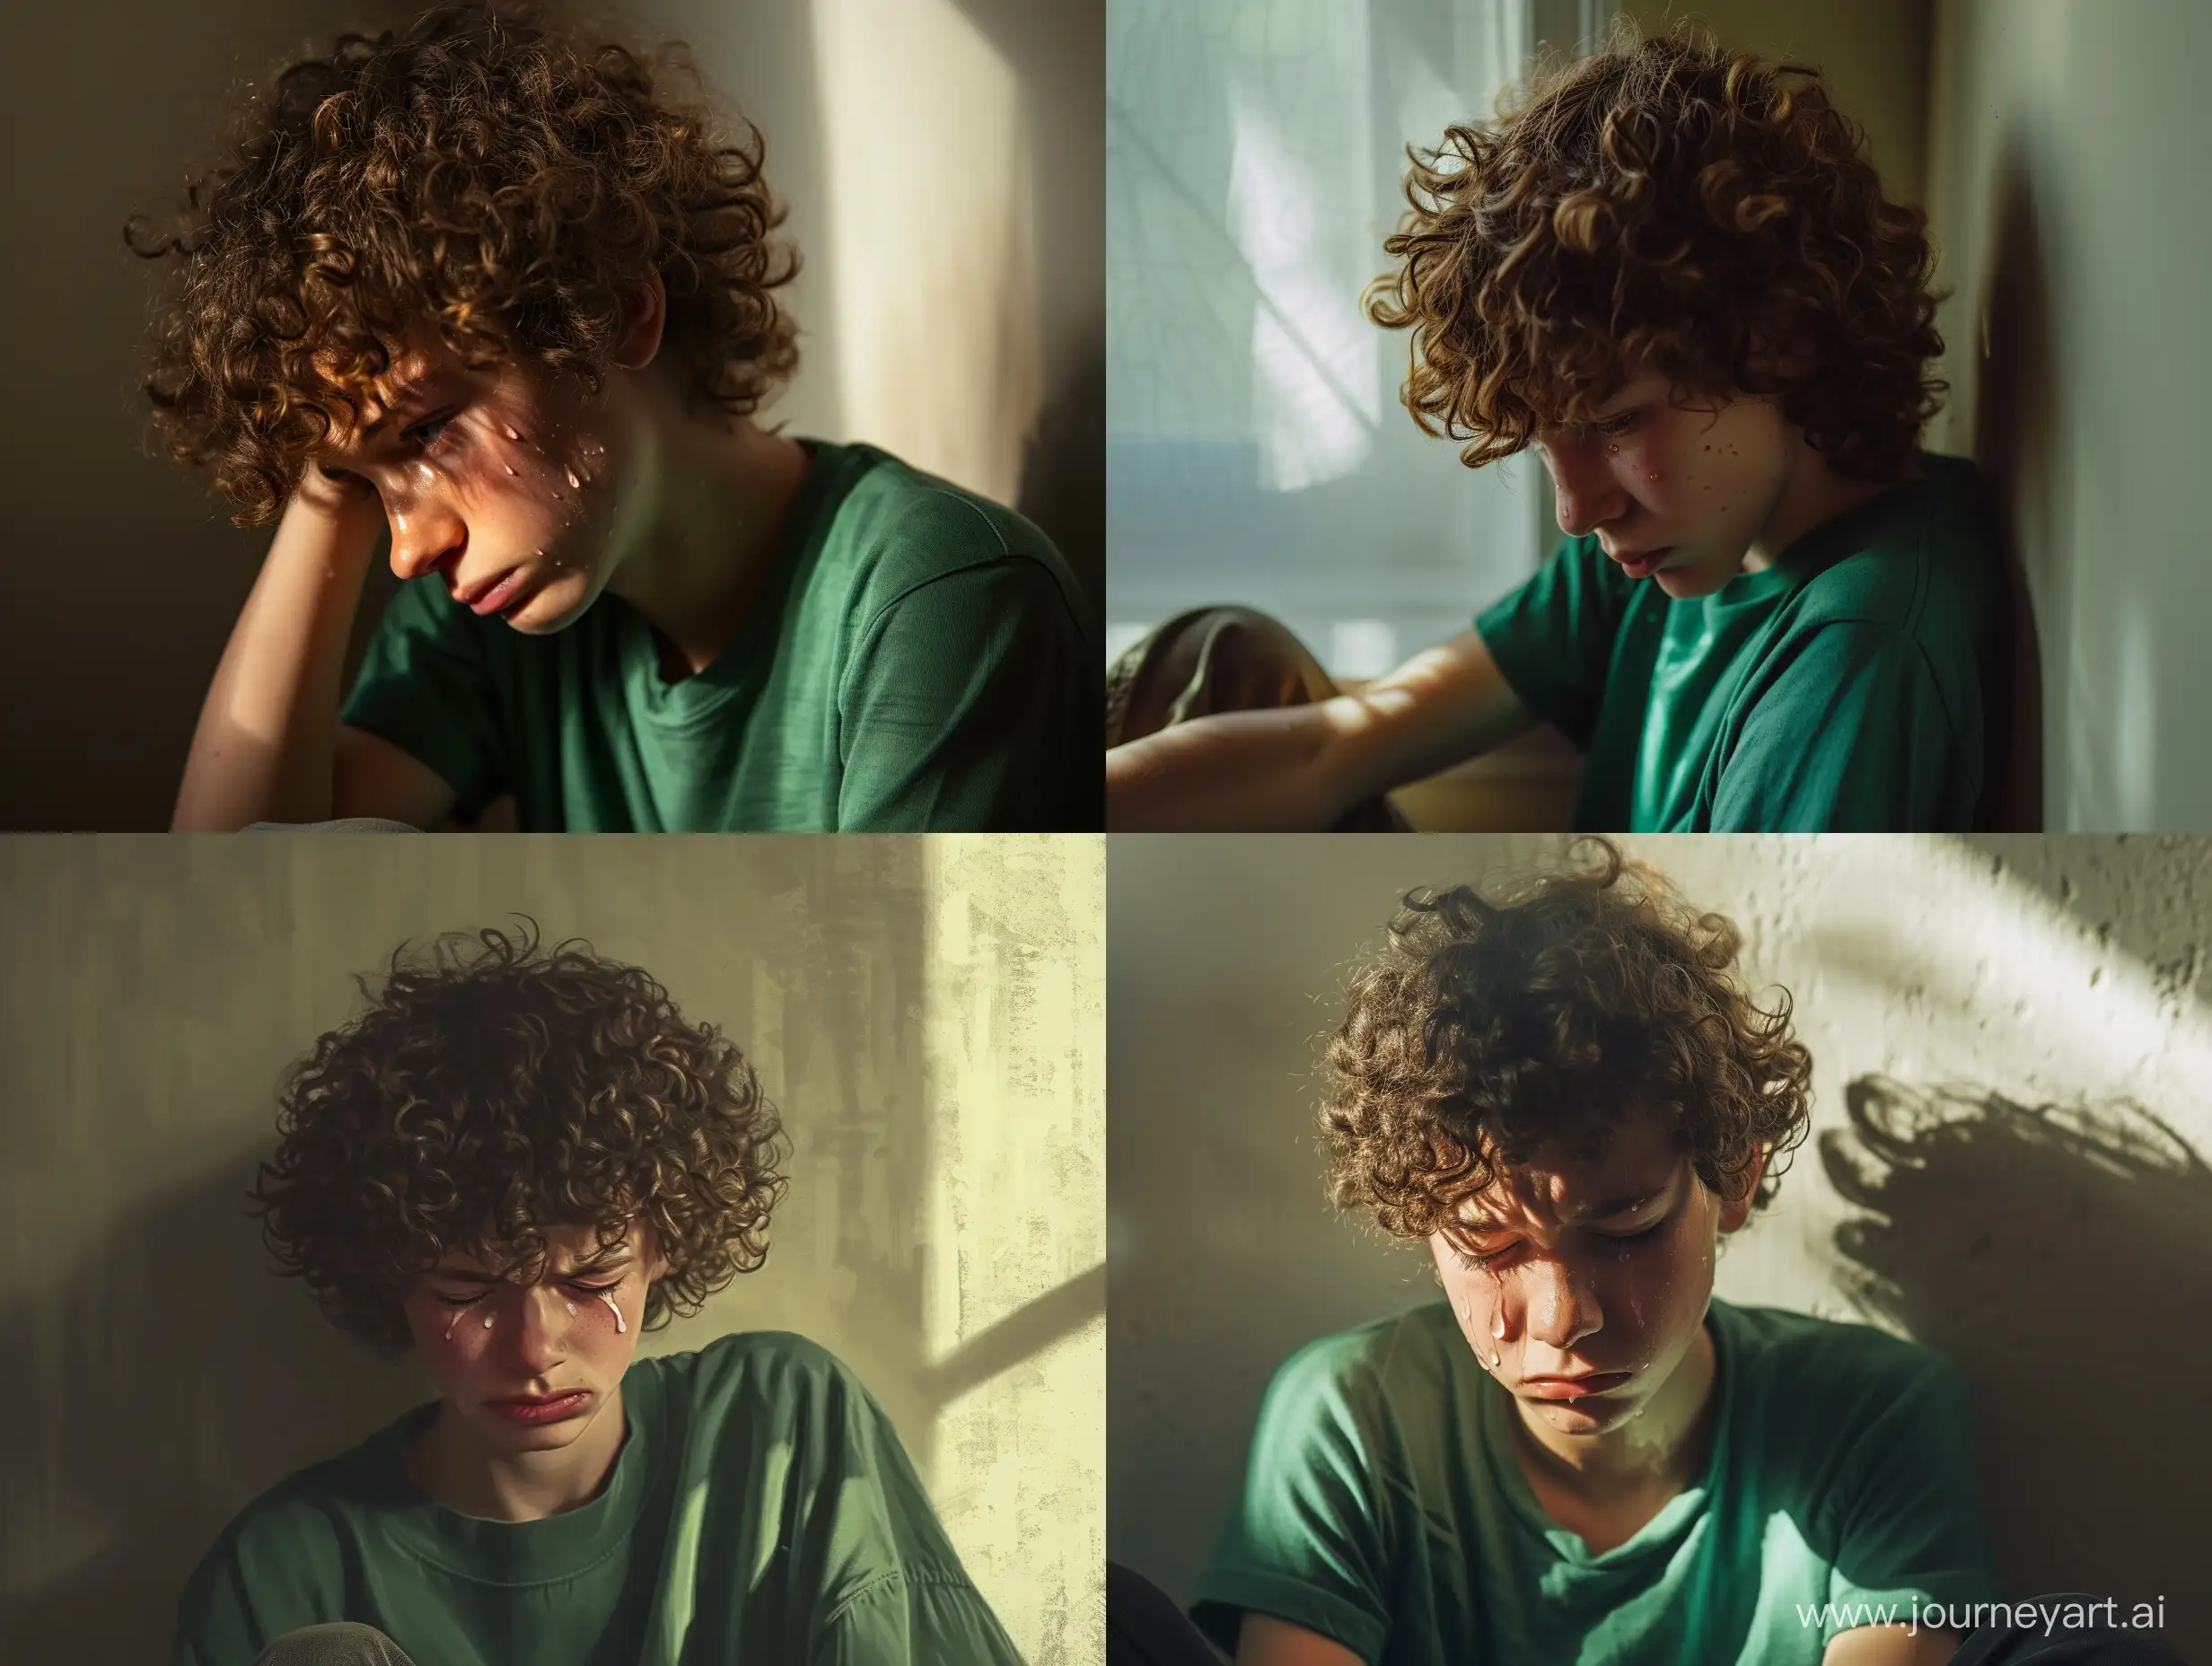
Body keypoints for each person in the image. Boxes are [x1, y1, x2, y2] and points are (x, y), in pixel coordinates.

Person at [1128, 840, 2178, 1666]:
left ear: (1728, 1177)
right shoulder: (1349, 1413)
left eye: (1624, 1229)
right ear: (1421, 1224)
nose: (1561, 1317)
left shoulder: (1873, 1413)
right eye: (1488, 1244)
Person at [132, 2, 1096, 833]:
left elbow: (902, 1019)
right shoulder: (489, 621)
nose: (407, 547)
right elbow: (234, 897)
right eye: (368, 485)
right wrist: (326, 453)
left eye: (427, 434)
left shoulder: (935, 600)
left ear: (613, 310)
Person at [1105, 16, 1998, 834]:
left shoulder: (1856, 650)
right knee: (1225, 656)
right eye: (1544, 443)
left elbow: (1732, 980)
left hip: (1587, 994)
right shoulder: (1678, 536)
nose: (1576, 510)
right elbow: (1331, 748)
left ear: (1783, 339)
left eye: (1611, 422)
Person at [173, 923, 1023, 1665]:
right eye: (469, 1292)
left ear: (665, 1247)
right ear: (387, 1274)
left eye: (589, 1280)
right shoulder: (281, 1577)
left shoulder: (780, 1426)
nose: (535, 1351)